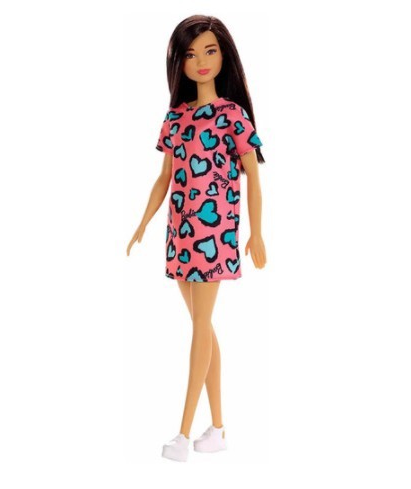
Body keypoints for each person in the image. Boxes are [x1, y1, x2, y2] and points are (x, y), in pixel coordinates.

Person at [126, 14, 267, 462]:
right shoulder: (175, 118)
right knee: (201, 327)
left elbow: (253, 176)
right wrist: (143, 222)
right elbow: (164, 177)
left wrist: (257, 232)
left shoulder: (232, 116)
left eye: (210, 50)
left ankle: (183, 434)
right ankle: (218, 429)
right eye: (190, 54)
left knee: (201, 326)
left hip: (215, 233)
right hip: (180, 233)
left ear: (224, 55)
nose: (201, 61)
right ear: (179, 63)